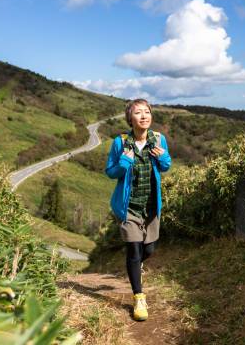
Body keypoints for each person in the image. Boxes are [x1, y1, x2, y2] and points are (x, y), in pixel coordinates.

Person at [105, 98, 172, 321]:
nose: (144, 116)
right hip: (129, 207)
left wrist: (162, 157)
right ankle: (139, 297)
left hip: (152, 206)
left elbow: (166, 166)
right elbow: (110, 172)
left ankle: (135, 266)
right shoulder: (120, 142)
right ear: (130, 119)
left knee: (149, 250)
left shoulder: (159, 138)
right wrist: (124, 163)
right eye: (138, 113)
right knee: (134, 250)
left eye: (147, 112)